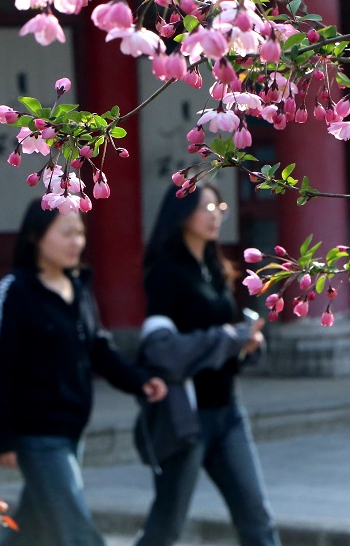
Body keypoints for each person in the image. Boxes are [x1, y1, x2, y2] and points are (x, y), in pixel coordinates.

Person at [0, 199, 167, 546]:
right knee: (77, 528)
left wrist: (139, 381)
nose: (76, 242)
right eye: (66, 233)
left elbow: (99, 348)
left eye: (80, 233)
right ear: (37, 236)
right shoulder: (14, 291)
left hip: (72, 428)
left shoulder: (78, 287)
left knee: (33, 523)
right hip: (36, 432)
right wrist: (1, 434)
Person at [134, 183, 279, 546]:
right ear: (182, 215)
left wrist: (248, 343)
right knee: (166, 525)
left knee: (256, 518)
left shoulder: (215, 269)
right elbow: (163, 352)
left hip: (227, 410)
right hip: (187, 417)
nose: (216, 215)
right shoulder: (165, 274)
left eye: (219, 207)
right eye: (206, 208)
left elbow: (227, 337)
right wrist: (231, 339)